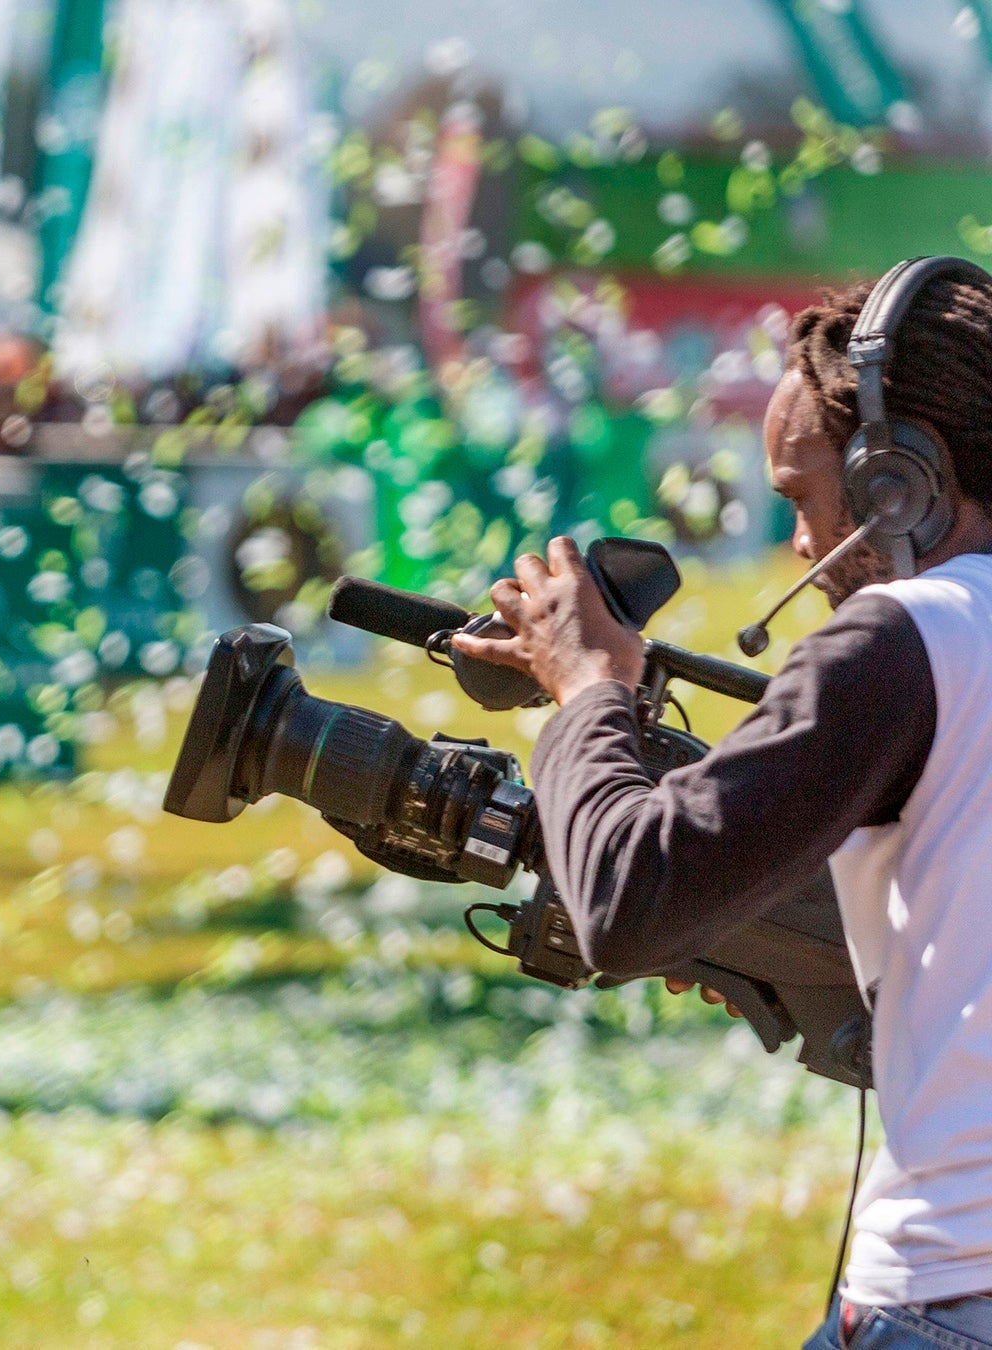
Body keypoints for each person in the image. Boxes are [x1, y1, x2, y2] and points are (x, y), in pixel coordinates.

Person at [451, 261, 992, 1348]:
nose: (800, 546)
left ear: (900, 479)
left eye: (802, 496)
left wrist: (589, 688)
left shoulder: (907, 640)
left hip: (948, 1295)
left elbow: (628, 904)